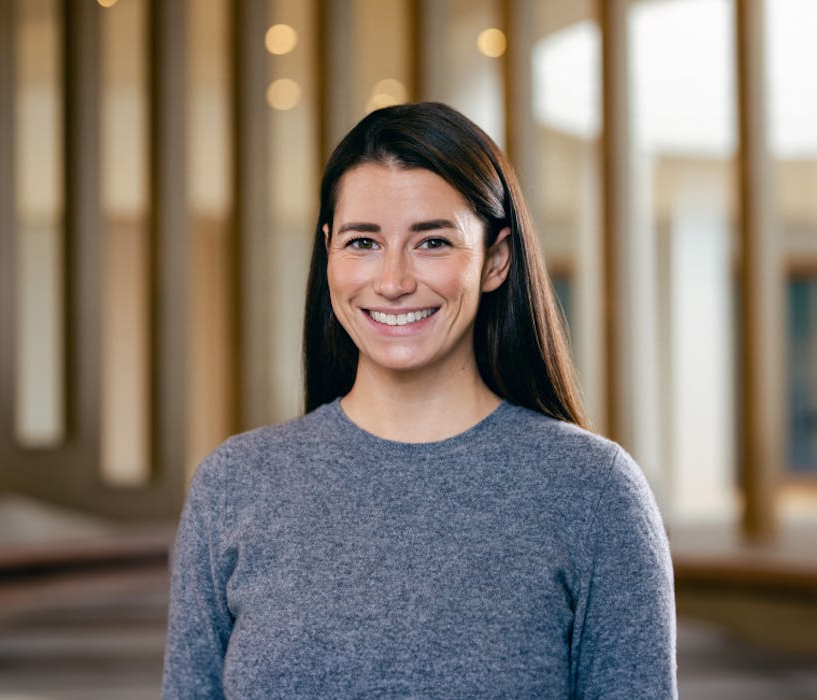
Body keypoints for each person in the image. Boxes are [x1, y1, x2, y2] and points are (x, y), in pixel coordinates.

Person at [163, 102, 676, 698]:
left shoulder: (593, 492)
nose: (393, 281)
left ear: (496, 259)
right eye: (363, 242)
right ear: (328, 252)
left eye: (432, 242)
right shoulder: (233, 486)